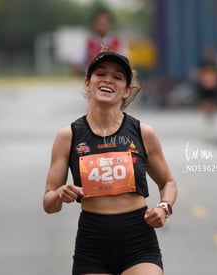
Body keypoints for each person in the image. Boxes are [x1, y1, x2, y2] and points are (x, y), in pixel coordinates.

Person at [43, 49, 177, 275]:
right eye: (100, 73)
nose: (108, 79)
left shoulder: (143, 133)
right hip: (92, 242)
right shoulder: (68, 136)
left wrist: (164, 207)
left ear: (126, 91)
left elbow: (168, 182)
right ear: (88, 83)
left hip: (138, 240)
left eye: (117, 77)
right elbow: (48, 203)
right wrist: (59, 194)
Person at [70, 7, 128, 76]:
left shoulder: (118, 43)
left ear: (110, 24)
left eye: (105, 23)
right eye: (100, 23)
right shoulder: (87, 43)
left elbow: (128, 64)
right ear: (94, 24)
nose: (103, 26)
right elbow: (75, 64)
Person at [195, 47, 217, 140]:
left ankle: (210, 122)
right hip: (205, 88)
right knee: (205, 105)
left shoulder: (215, 64)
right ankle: (206, 121)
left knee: (212, 105)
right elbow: (199, 74)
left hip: (213, 88)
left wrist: (215, 83)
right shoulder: (203, 63)